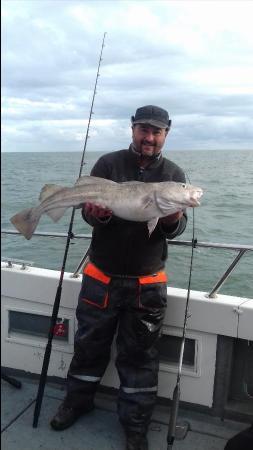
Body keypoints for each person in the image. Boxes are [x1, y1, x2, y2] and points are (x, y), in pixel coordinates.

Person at [50, 105, 188, 450]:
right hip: (101, 275)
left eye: (157, 132)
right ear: (133, 129)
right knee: (88, 346)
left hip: (146, 283)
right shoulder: (108, 164)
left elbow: (176, 229)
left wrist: (171, 219)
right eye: (144, 129)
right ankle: (77, 402)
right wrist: (97, 216)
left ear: (166, 134)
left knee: (140, 357)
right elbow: (91, 218)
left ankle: (136, 425)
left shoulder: (173, 174)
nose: (149, 137)